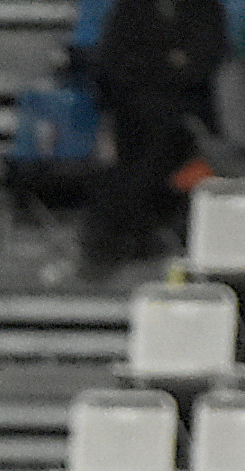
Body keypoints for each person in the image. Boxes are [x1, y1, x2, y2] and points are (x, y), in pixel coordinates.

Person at [81, 0, 231, 275]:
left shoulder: (206, 9)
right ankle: (126, 243)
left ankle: (142, 238)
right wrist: (170, 62)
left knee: (162, 141)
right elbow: (115, 64)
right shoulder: (129, 10)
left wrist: (155, 66)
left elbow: (205, 60)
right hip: (133, 115)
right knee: (136, 151)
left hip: (189, 116)